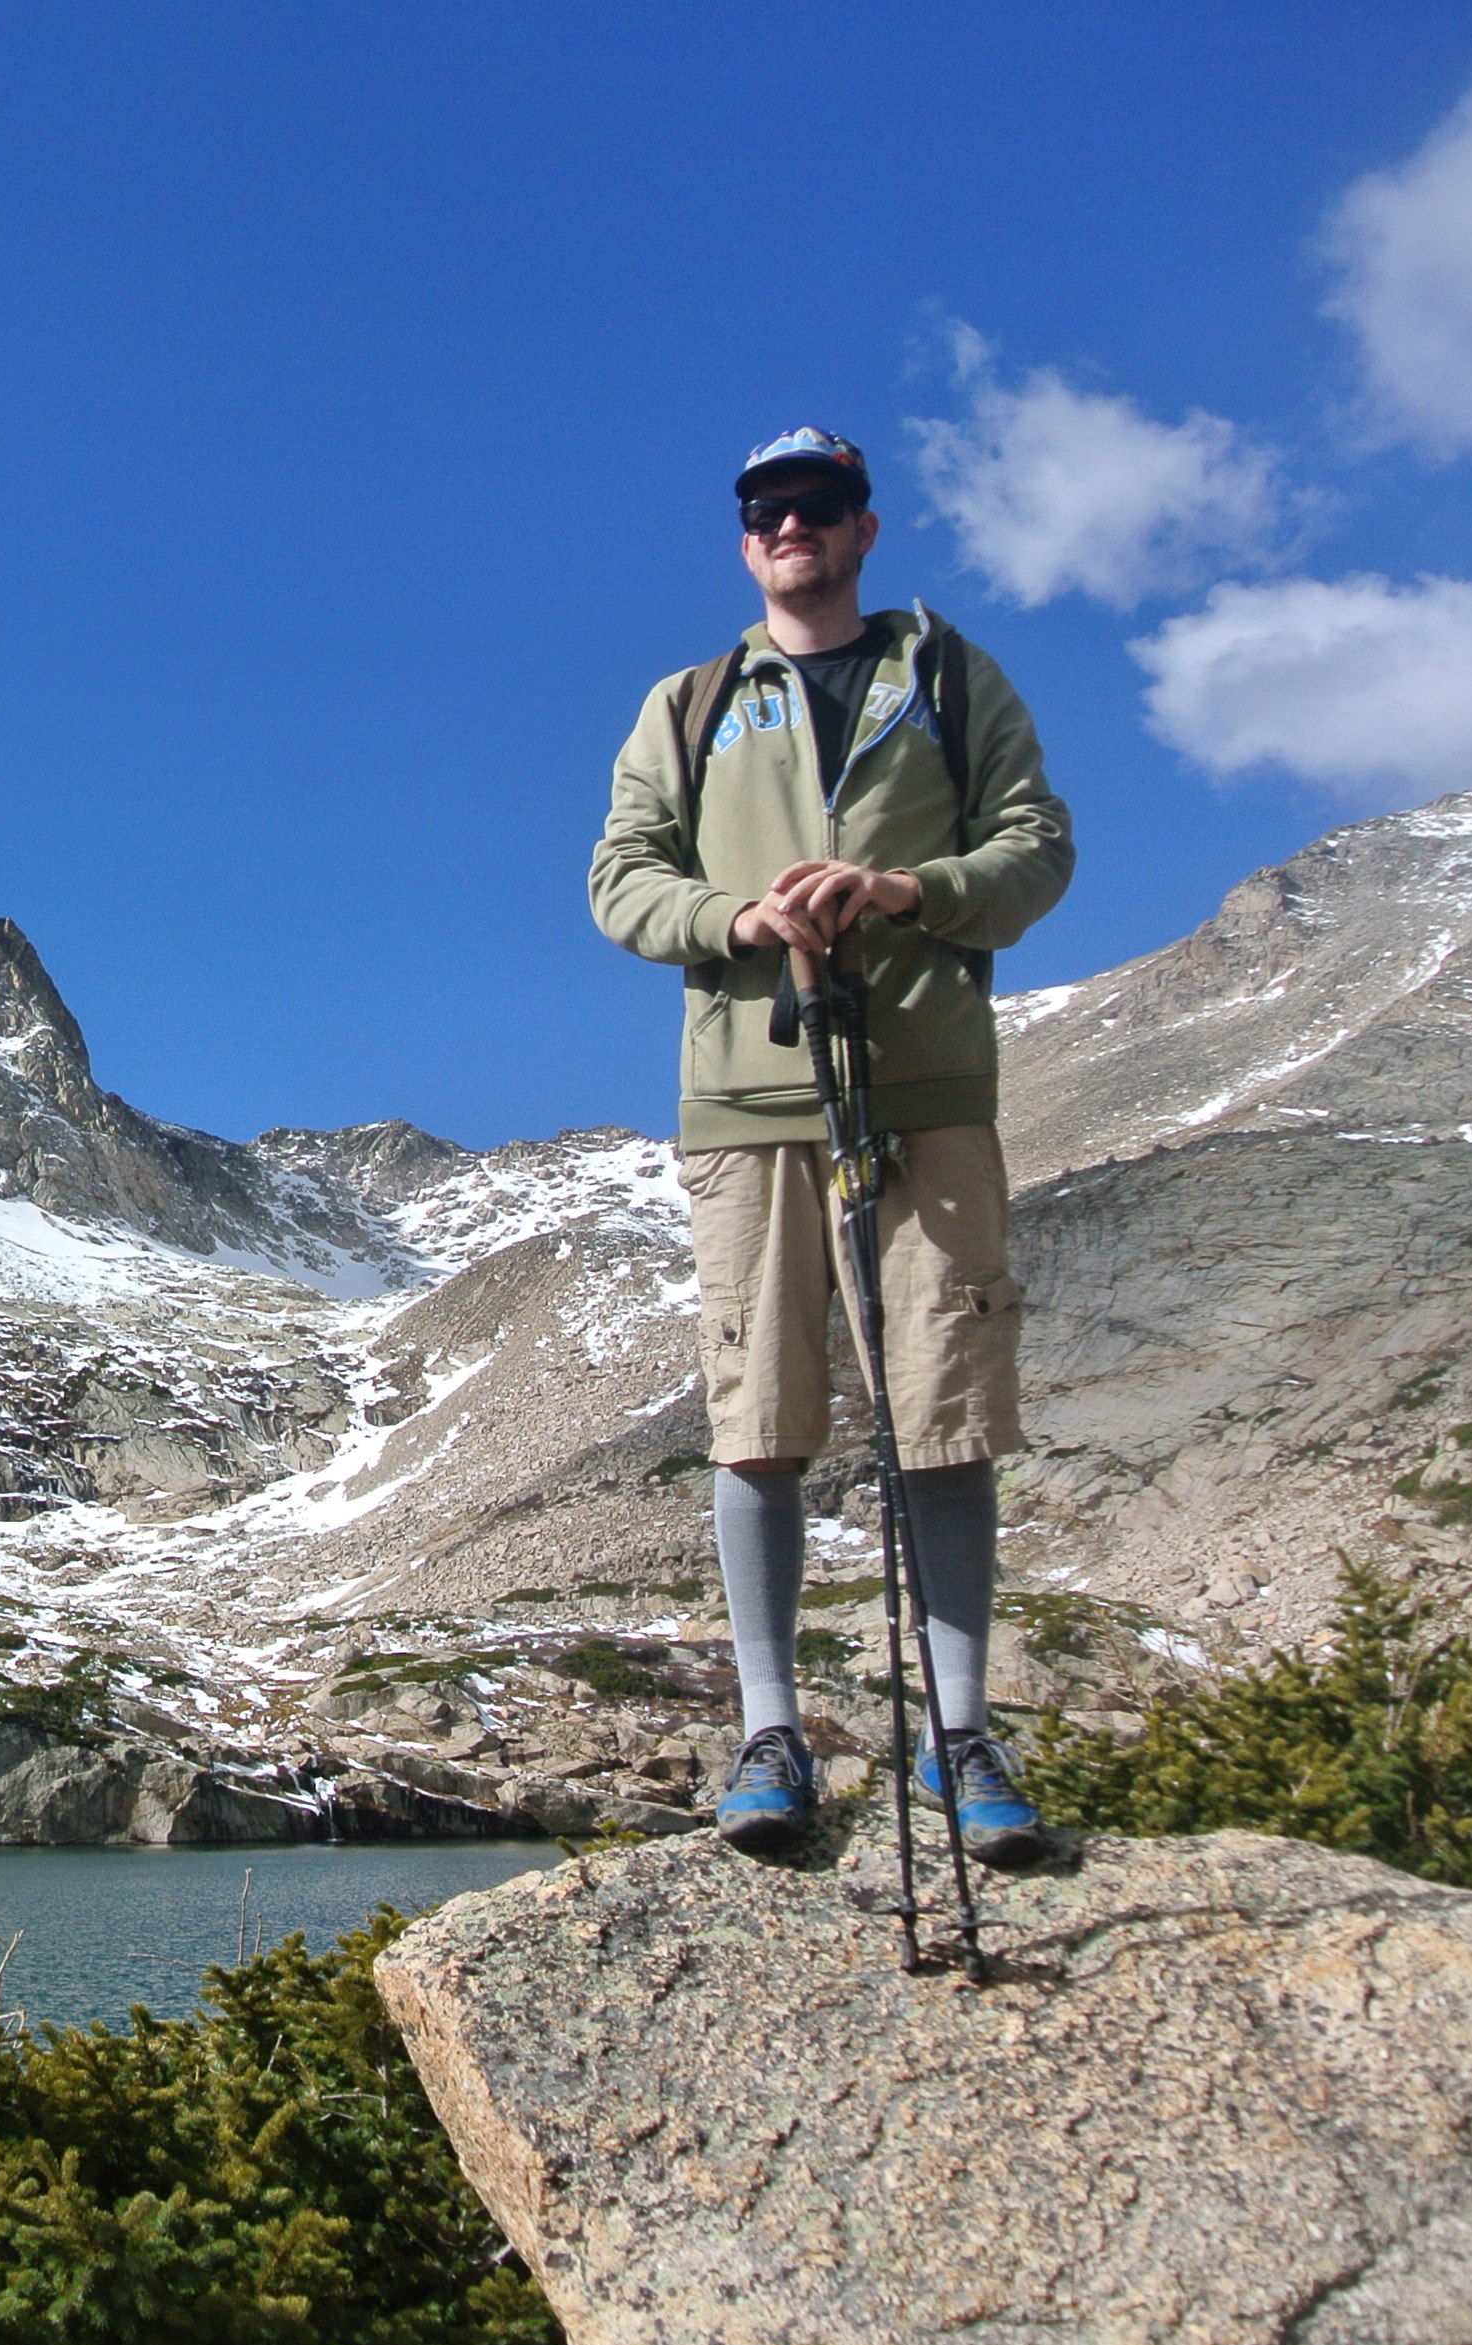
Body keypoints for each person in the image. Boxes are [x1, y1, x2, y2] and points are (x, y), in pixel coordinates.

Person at [586, 427, 1075, 1863]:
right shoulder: (690, 704)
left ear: (866, 527)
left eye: (820, 504)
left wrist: (908, 891)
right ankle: (770, 1730)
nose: (791, 526)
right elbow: (620, 879)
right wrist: (740, 918)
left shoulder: (952, 677)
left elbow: (1038, 845)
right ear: (746, 540)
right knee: (759, 1418)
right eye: (766, 510)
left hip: (925, 1085)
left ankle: (959, 1731)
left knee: (944, 1407)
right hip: (752, 1096)